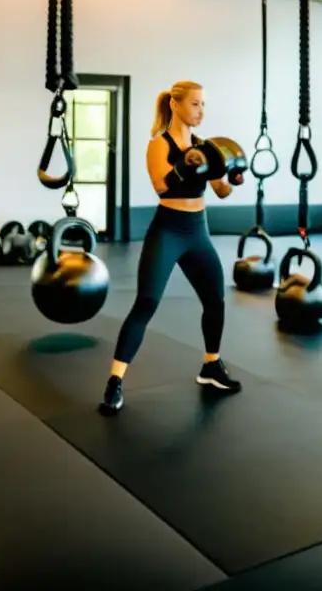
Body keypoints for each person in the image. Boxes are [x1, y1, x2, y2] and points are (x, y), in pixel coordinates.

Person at [99, 80, 243, 416]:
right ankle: (115, 381)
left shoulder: (206, 146)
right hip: (168, 230)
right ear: (175, 104)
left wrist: (234, 177)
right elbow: (162, 186)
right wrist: (185, 165)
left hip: (198, 231)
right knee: (147, 302)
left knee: (215, 300)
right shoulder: (158, 144)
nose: (201, 111)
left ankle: (211, 365)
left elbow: (221, 191)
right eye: (195, 104)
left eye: (204, 104)